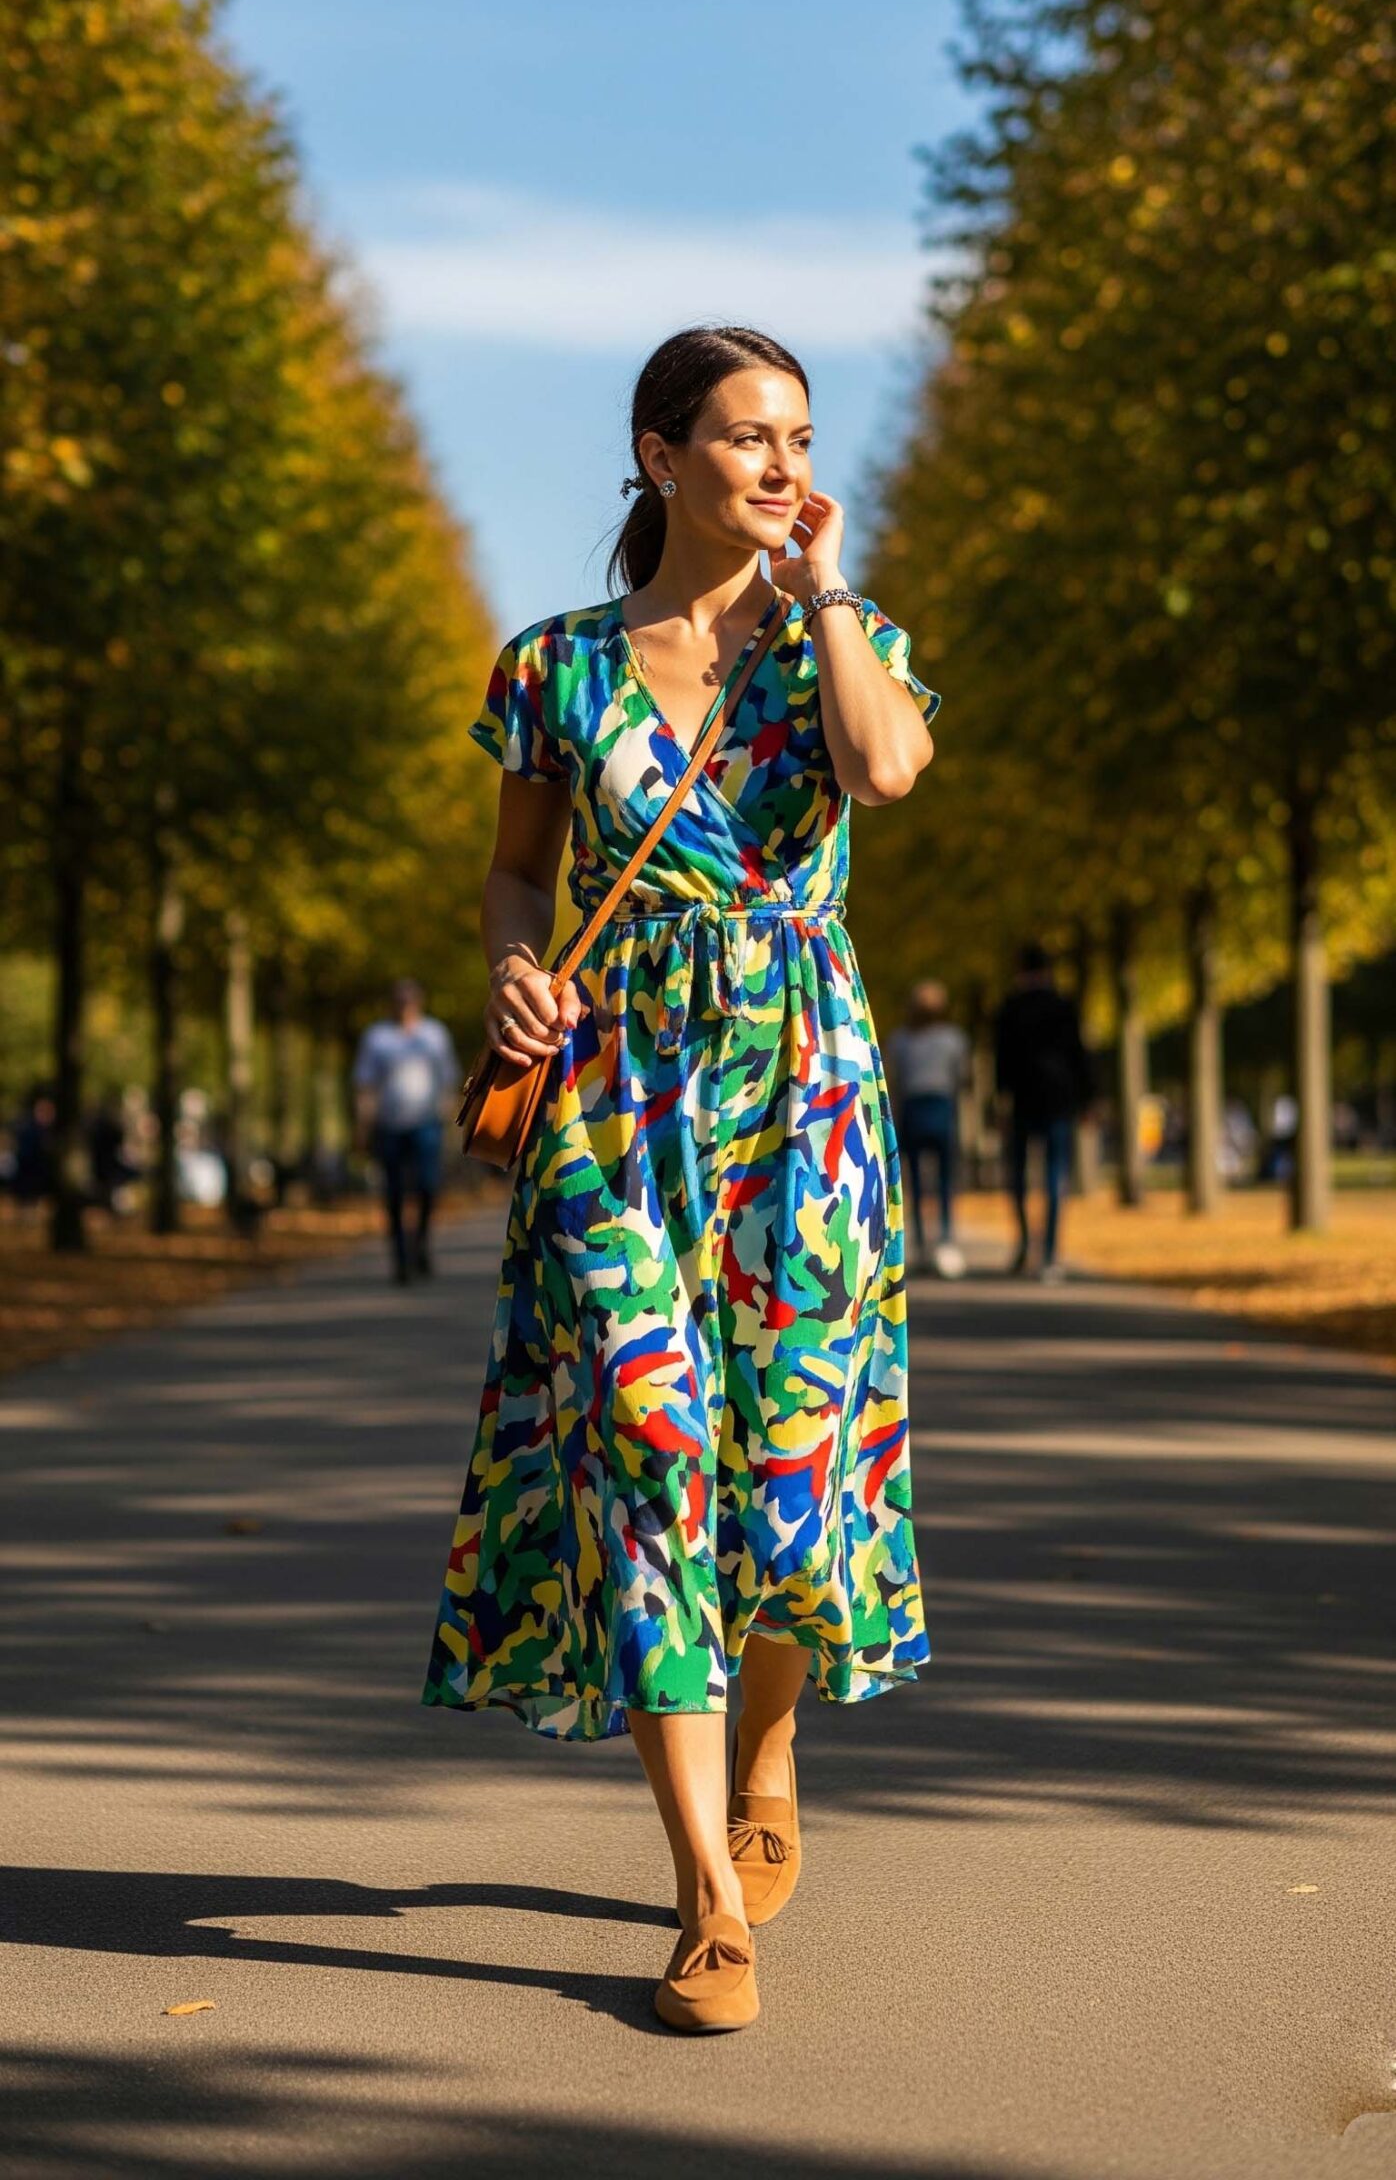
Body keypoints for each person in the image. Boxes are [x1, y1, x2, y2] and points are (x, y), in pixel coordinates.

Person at [422, 325, 940, 2035]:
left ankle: (773, 1745)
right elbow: (516, 877)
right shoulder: (554, 667)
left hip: (802, 1089)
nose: (782, 463)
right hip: (615, 1097)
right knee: (647, 1449)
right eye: (745, 437)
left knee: (789, 1459)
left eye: (798, 434)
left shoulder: (841, 646)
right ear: (661, 458)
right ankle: (707, 1897)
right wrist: (512, 969)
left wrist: (831, 596)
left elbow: (884, 773)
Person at [993, 943, 1093, 1284]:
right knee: (1054, 1178)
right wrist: (1088, 1100)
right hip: (1059, 1100)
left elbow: (1001, 1061)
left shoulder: (1009, 1008)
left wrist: (1000, 1102)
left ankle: (1024, 1243)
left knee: (1018, 1177)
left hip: (1022, 1100)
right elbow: (1079, 1054)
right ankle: (1050, 1253)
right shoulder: (1064, 1006)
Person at [353, 979, 460, 1284]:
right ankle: (400, 1259)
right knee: (395, 1194)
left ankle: (421, 1242)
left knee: (427, 1187)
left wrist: (450, 1121)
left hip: (426, 1124)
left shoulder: (434, 1035)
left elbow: (449, 1081)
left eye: (409, 1001)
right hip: (389, 1126)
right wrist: (363, 1127)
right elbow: (366, 1086)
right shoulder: (377, 1038)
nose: (404, 1007)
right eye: (399, 1001)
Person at [887, 981, 970, 1276]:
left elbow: (894, 1081)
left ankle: (920, 1242)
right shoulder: (953, 1039)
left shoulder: (900, 1040)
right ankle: (946, 1237)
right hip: (942, 1109)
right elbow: (960, 1078)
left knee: (917, 1183)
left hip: (912, 1110)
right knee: (946, 1180)